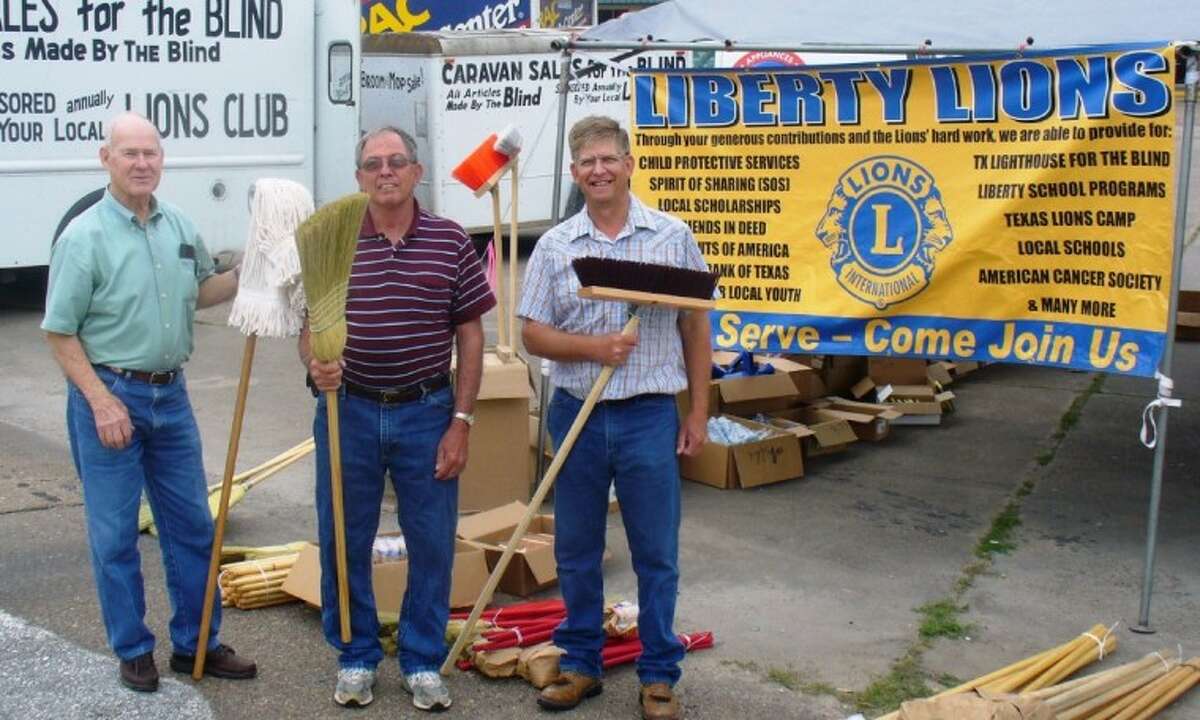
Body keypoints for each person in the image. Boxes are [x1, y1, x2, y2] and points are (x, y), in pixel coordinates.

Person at [41, 112, 255, 693]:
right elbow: (60, 332)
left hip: (171, 398)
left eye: (151, 153)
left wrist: (245, 273)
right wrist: (100, 401)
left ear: (162, 159)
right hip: (109, 397)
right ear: (105, 158)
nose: (142, 164)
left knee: (191, 526)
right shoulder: (84, 237)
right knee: (114, 535)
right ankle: (133, 648)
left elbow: (202, 289)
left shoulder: (177, 225)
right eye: (129, 153)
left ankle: (197, 643)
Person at [517, 116, 711, 720]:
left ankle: (658, 674)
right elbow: (532, 333)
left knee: (656, 550)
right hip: (578, 411)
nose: (598, 170)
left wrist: (698, 410)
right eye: (586, 162)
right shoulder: (556, 246)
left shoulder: (671, 237)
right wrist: (593, 350)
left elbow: (694, 323)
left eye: (608, 158)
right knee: (575, 547)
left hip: (649, 414)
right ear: (575, 174)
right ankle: (580, 664)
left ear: (629, 163)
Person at [300, 126, 495, 711]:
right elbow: (310, 326)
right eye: (372, 164)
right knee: (343, 538)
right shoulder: (331, 239)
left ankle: (420, 659)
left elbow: (471, 333)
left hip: (426, 413)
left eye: (396, 162)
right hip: (348, 410)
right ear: (358, 176)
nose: (385, 172)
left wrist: (462, 419)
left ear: (417, 172)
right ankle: (356, 656)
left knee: (432, 542)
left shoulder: (450, 240)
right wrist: (316, 366)